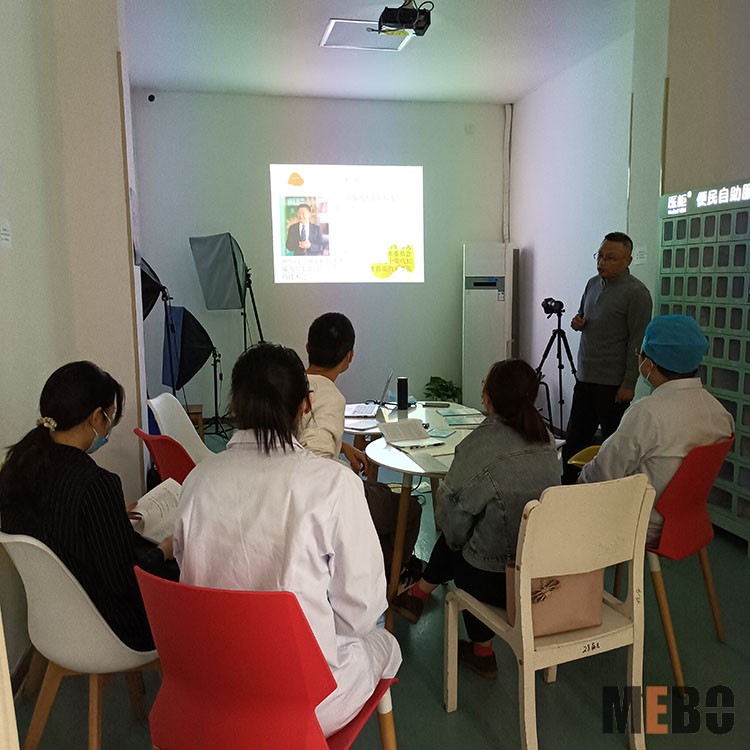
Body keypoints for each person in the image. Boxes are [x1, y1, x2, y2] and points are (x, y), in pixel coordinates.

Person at [173, 343, 401, 737]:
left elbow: (188, 574)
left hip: (211, 692)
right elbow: (359, 614)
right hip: (305, 704)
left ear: (234, 404)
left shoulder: (197, 481)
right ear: (306, 406)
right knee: (384, 639)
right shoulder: (334, 485)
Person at [392, 359, 560, 679]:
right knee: (471, 532)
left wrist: (460, 536)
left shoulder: (480, 445)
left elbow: (450, 520)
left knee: (460, 534)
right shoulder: (547, 438)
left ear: (488, 398)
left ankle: (482, 650)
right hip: (540, 572)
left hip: (494, 581)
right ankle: (419, 593)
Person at [0, 361, 174, 652]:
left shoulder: (18, 465)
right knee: (179, 569)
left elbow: (52, 527)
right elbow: (124, 584)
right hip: (111, 626)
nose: (109, 427)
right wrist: (164, 550)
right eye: (110, 417)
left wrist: (109, 518)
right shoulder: (96, 483)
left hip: (48, 622)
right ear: (96, 417)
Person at [578, 314, 734, 547]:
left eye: (640, 353)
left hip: (643, 524)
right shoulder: (721, 414)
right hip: (691, 520)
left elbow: (604, 472)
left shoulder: (647, 413)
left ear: (648, 364)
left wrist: (576, 483)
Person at [297, 312, 423, 582]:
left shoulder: (293, 385)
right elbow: (315, 462)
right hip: (328, 506)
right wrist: (343, 472)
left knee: (380, 490)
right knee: (410, 508)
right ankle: (392, 578)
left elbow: (301, 438)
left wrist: (342, 446)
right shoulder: (331, 397)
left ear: (307, 347)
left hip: (298, 497)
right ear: (349, 357)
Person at [561, 231, 653, 483]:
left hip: (613, 385)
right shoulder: (592, 283)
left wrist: (629, 383)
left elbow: (637, 342)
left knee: (613, 446)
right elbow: (582, 315)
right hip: (585, 377)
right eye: (599, 256)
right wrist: (577, 322)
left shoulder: (637, 294)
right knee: (575, 442)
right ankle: (566, 490)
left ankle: (610, 493)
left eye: (610, 258)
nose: (602, 262)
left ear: (628, 261)